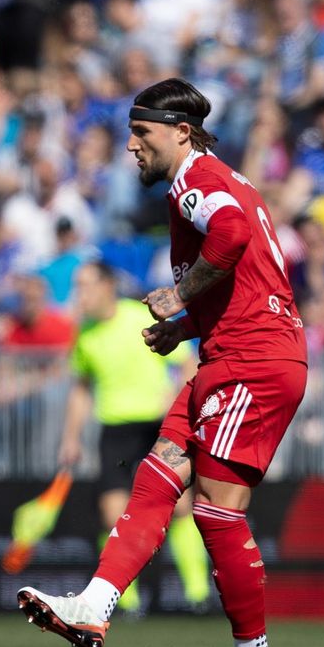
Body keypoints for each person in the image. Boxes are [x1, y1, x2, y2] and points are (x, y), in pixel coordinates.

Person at [17, 79, 307, 647]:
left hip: (252, 359)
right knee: (160, 469)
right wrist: (183, 326)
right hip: (231, 353)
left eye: (141, 133)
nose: (131, 146)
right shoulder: (216, 178)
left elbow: (231, 235)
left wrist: (180, 293)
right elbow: (242, 274)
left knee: (215, 511)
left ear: (180, 132)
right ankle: (95, 607)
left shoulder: (195, 181)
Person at [56, 260, 208, 615]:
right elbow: (81, 389)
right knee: (112, 514)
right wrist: (71, 438)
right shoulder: (86, 334)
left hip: (158, 425)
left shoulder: (136, 316)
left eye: (86, 285)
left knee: (181, 506)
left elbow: (186, 362)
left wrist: (175, 396)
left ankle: (198, 593)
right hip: (115, 431)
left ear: (108, 285)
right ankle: (125, 602)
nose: (80, 294)